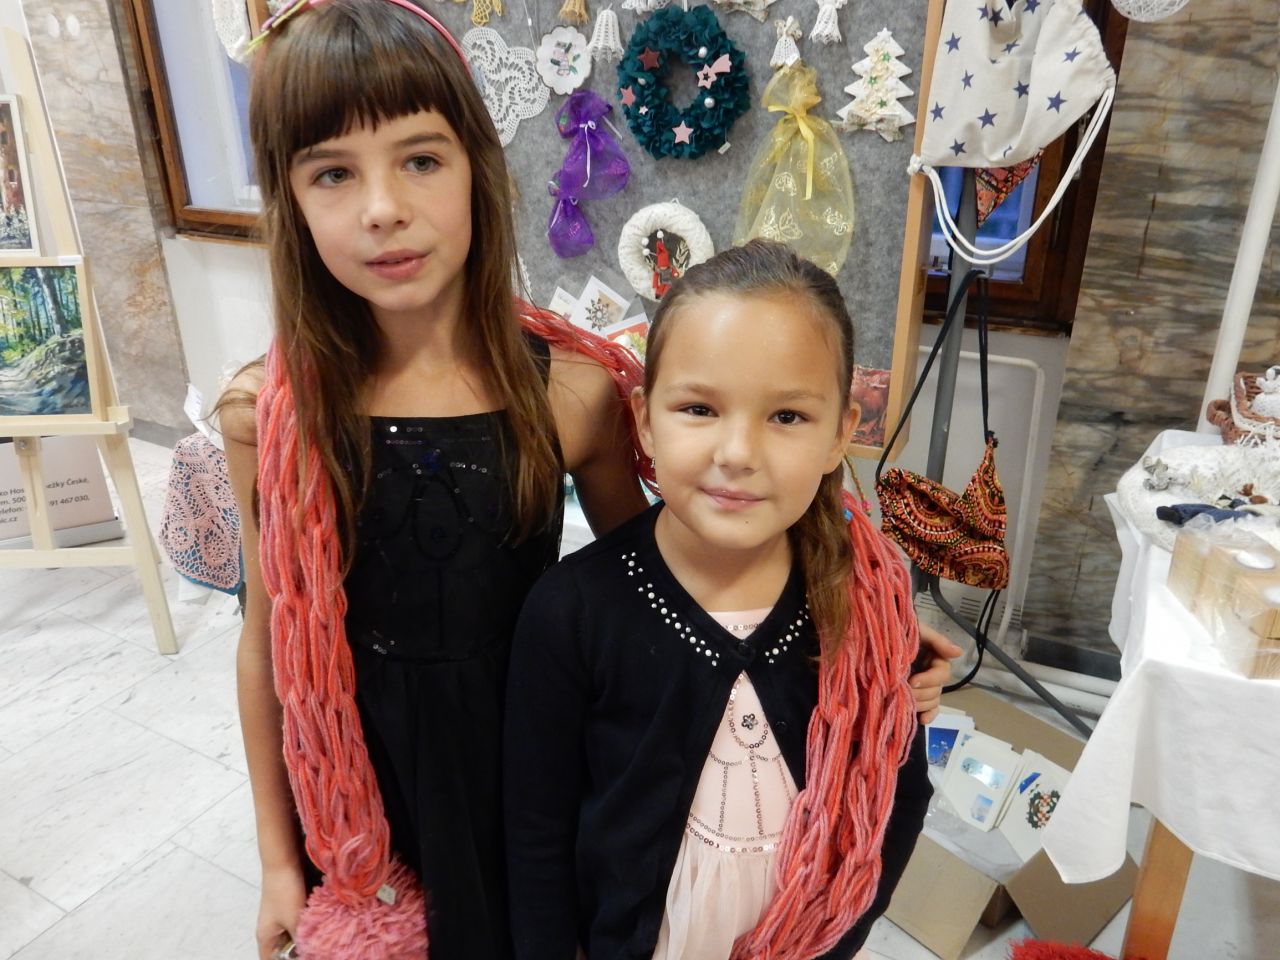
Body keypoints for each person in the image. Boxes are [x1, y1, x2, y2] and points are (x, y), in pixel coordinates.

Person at [220, 3, 957, 959]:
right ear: (288, 198)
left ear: (478, 169)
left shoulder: (571, 392)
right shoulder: (272, 417)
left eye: (421, 159)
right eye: (332, 173)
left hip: (548, 761)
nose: (382, 208)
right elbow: (266, 643)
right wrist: (278, 860)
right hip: (368, 781)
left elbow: (656, 581)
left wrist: (856, 624)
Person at [505, 240, 935, 960]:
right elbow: (535, 834)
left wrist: (834, 940)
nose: (737, 453)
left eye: (787, 417)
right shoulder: (572, 612)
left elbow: (897, 800)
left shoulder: (864, 608)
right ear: (645, 419)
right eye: (699, 408)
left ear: (841, 433)